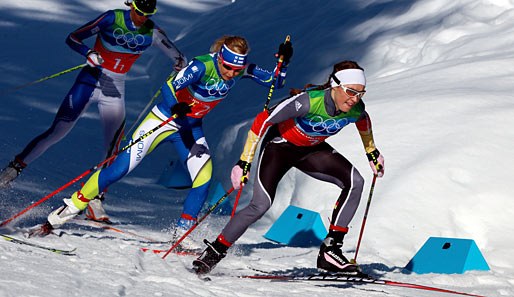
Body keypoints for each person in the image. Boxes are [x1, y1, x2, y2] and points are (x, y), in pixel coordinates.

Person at [29, 35, 294, 248]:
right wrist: (175, 104)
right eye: (227, 67)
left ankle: (182, 233)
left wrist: (282, 64)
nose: (231, 74)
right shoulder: (202, 65)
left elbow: (275, 82)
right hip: (163, 122)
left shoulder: (240, 69)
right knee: (119, 169)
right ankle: (70, 207)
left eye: (237, 70)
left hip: (190, 129)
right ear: (220, 58)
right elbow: (170, 86)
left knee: (203, 178)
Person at [0, 0, 187, 224]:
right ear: (132, 6)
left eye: (147, 14)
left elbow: (179, 57)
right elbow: (73, 37)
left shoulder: (153, 31)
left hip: (115, 89)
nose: (142, 17)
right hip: (89, 81)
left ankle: (95, 199)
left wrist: (179, 62)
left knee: (113, 147)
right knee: (57, 132)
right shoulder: (112, 18)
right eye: (139, 12)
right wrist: (88, 52)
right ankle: (12, 171)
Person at [192, 60, 385, 274]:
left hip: (311, 151)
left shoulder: (355, 108)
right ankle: (214, 252)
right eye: (350, 91)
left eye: (361, 93)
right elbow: (263, 121)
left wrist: (372, 151)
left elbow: (363, 120)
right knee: (260, 205)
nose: (355, 99)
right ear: (335, 85)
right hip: (280, 149)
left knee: (356, 182)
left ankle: (330, 250)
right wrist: (244, 161)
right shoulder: (307, 102)